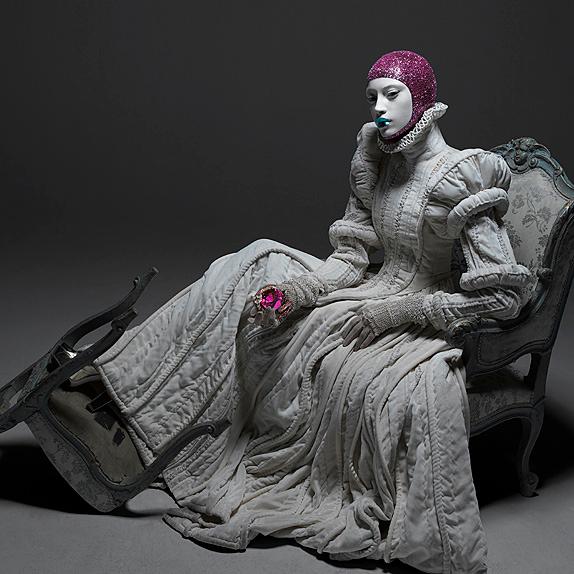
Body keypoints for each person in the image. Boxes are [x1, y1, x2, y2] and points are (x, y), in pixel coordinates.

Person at [0, 50, 533, 573]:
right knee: (257, 267)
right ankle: (119, 396)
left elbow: (503, 297)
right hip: (367, 291)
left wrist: (398, 312)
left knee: (317, 355)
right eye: (371, 96)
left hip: (419, 317)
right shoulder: (377, 159)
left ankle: (152, 415)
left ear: (423, 97)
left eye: (391, 95)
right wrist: (300, 292)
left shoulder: (461, 177)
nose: (378, 108)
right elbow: (351, 259)